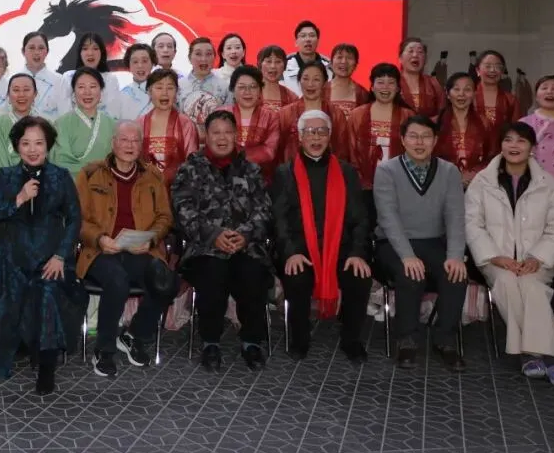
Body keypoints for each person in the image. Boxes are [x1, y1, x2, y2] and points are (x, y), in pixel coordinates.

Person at [0, 116, 87, 394]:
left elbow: (74, 219)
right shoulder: (6, 176)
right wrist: (19, 198)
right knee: (2, 291)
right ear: (17, 146)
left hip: (50, 258)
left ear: (48, 145)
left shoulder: (61, 176)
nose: (33, 149)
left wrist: (60, 256)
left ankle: (46, 367)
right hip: (13, 258)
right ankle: (15, 350)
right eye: (26, 143)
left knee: (48, 292)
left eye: (39, 143)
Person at [171, 110, 273, 372]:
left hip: (246, 247)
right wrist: (214, 235)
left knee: (253, 274)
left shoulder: (251, 169)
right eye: (216, 132)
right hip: (205, 248)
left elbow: (264, 209)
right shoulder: (190, 169)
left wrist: (245, 235)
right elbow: (183, 211)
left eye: (228, 132)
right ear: (205, 136)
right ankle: (210, 343)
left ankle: (251, 342)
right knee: (212, 274)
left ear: (236, 135)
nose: (222, 138)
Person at [75, 121, 176, 376]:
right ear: (113, 143)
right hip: (101, 251)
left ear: (141, 145)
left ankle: (134, 335)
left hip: (140, 250)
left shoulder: (153, 176)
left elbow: (165, 217)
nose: (129, 146)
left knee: (166, 282)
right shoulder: (90, 174)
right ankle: (104, 349)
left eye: (135, 141)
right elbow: (78, 219)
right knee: (117, 281)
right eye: (124, 140)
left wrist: (150, 240)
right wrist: (99, 238)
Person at [272, 110, 371, 363]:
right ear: (300, 137)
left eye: (321, 132)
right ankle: (299, 339)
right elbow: (279, 221)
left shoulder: (346, 172)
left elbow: (360, 218)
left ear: (330, 136)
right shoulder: (285, 172)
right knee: (297, 277)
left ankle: (351, 340)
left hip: (340, 249)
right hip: (300, 249)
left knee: (358, 277)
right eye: (310, 132)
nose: (316, 138)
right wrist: (290, 253)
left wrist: (357, 253)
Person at [465, 122, 554, 384]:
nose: (514, 146)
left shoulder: (548, 184)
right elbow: (472, 224)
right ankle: (545, 354)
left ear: (532, 147)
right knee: (507, 282)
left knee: (531, 286)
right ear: (501, 145)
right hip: (495, 259)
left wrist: (537, 257)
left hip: (536, 260)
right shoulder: (483, 182)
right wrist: (494, 256)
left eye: (521, 141)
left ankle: (533, 354)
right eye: (508, 140)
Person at [373, 115, 468, 370]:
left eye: (426, 137)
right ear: (403, 140)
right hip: (393, 244)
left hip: (433, 242)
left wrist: (455, 255)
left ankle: (445, 340)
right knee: (411, 275)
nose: (419, 142)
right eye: (413, 136)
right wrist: (407, 255)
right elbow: (388, 218)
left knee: (456, 275)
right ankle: (407, 340)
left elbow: (456, 217)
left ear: (435, 141)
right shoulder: (386, 170)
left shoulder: (449, 171)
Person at [348, 63, 414, 222]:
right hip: (364, 187)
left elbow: (413, 152)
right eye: (380, 82)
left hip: (399, 187)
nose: (385, 87)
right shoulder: (357, 115)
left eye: (391, 83)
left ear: (398, 88)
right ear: (372, 87)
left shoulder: (408, 116)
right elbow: (350, 151)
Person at [279, 60, 351, 162]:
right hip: (293, 169)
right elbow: (279, 149)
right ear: (299, 81)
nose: (310, 84)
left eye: (316, 79)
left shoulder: (336, 114)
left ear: (324, 83)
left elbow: (342, 150)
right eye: (305, 79)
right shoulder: (285, 114)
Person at [138, 69, 199, 187]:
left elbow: (192, 163)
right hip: (145, 189)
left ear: (177, 92)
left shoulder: (186, 124)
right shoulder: (139, 124)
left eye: (170, 88)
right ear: (149, 92)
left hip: (179, 189)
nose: (164, 93)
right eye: (159, 88)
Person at [50, 68, 116, 176]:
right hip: (72, 183)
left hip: (106, 183)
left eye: (93, 87)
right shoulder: (61, 124)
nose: (87, 92)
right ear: (73, 92)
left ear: (101, 91)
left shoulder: (112, 124)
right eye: (81, 87)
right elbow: (60, 161)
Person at [221, 66, 280, 182]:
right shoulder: (221, 115)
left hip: (261, 180)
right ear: (232, 90)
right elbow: (215, 147)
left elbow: (269, 152)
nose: (247, 92)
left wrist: (236, 157)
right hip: (224, 180)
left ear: (260, 90)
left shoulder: (271, 117)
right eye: (241, 87)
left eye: (253, 87)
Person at [0, 73, 39, 189]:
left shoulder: (45, 125)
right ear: (8, 95)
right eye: (16, 90)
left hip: (38, 187)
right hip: (5, 188)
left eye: (26, 90)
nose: (21, 95)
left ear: (35, 94)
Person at [435, 72, 491, 187]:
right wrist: (454, 176)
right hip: (442, 183)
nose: (461, 94)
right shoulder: (436, 122)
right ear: (447, 94)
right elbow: (427, 157)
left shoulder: (484, 123)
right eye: (456, 89)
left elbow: (492, 156)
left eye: (467, 89)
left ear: (474, 93)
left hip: (476, 184)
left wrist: (473, 173)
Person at [60, 32, 123, 119]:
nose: (90, 53)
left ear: (102, 52)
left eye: (95, 48)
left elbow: (113, 113)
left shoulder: (110, 79)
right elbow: (64, 112)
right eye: (85, 49)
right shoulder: (68, 77)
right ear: (80, 53)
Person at [476, 50, 523, 144]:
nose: (492, 70)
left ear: (502, 72)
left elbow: (518, 131)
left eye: (497, 67)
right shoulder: (467, 98)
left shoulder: (510, 100)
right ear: (478, 71)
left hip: (502, 150)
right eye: (488, 66)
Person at [521, 75, 554, 182]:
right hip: (534, 184)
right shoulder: (524, 124)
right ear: (536, 97)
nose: (549, 91)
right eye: (544, 88)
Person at [19, 32, 66, 118]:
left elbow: (65, 115)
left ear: (47, 52)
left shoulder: (60, 81)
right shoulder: (12, 81)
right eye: (31, 48)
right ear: (23, 51)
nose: (36, 52)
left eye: (41, 48)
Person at [282, 20, 333, 96]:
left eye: (312, 35)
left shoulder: (330, 68)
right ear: (296, 42)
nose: (308, 39)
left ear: (318, 41)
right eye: (303, 36)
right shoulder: (284, 68)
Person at [399, 38, 446, 118]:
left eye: (420, 52)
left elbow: (443, 113)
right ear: (400, 58)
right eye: (410, 51)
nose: (415, 55)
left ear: (425, 60)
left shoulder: (433, 83)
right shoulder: (393, 83)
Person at [178, 37, 230, 110]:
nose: (203, 59)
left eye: (208, 54)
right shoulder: (178, 86)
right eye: (198, 54)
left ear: (214, 57)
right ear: (189, 58)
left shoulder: (225, 87)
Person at [325, 43, 370, 118]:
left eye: (349, 58)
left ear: (355, 64)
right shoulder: (320, 91)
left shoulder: (363, 94)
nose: (344, 61)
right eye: (339, 57)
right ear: (331, 63)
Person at [119, 43, 156, 121]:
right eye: (135, 62)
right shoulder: (122, 95)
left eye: (144, 61)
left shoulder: (162, 90)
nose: (140, 66)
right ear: (129, 65)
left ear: (152, 63)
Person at [257, 44, 298, 114]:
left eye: (278, 62)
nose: (273, 66)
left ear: (284, 66)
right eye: (268, 61)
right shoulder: (250, 93)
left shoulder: (291, 97)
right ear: (259, 64)